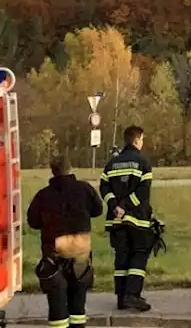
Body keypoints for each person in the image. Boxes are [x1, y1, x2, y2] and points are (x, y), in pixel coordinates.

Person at [26, 156, 105, 328]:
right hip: (80, 252)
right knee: (78, 304)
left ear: (52, 171)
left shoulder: (43, 195)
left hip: (53, 255)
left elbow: (33, 221)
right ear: (70, 169)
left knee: (57, 304)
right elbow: (98, 210)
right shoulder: (84, 189)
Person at [100, 126, 155, 312]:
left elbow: (103, 188)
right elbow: (143, 191)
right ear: (137, 140)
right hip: (137, 220)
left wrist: (115, 205)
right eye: (142, 139)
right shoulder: (143, 162)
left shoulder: (111, 163)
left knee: (121, 258)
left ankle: (121, 298)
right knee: (138, 255)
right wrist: (125, 207)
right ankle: (134, 295)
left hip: (116, 221)